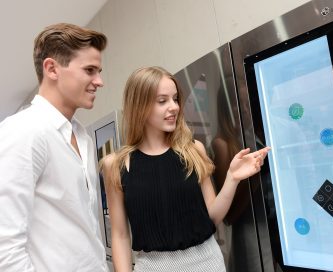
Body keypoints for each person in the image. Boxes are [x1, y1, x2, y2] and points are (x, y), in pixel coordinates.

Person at [101, 66, 270, 272]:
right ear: (139, 106)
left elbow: (213, 217)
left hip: (208, 263)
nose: (174, 107)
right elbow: (119, 235)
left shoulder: (193, 150)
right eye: (162, 101)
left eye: (175, 99)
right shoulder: (116, 165)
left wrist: (232, 177)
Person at [0, 23, 108, 271]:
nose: (99, 81)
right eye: (90, 70)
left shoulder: (83, 138)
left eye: (99, 71)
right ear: (52, 69)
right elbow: (5, 247)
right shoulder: (23, 131)